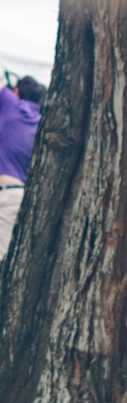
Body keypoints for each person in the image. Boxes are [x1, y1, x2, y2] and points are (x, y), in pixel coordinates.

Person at [0, 75, 43, 265]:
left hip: (5, 196)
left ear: (16, 92)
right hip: (22, 200)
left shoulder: (13, 107)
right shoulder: (43, 122)